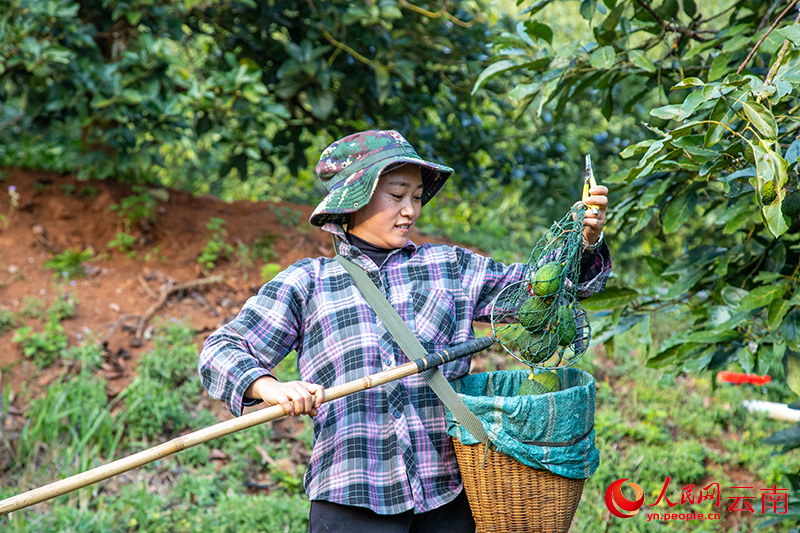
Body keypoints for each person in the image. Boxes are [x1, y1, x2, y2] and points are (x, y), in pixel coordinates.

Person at [198, 130, 611, 532]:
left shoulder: (450, 268)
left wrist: (584, 244)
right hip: (351, 499)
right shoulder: (308, 283)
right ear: (354, 200)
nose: (410, 210)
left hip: (448, 497)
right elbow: (222, 350)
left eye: (416, 197)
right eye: (396, 196)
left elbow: (545, 292)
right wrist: (269, 387)